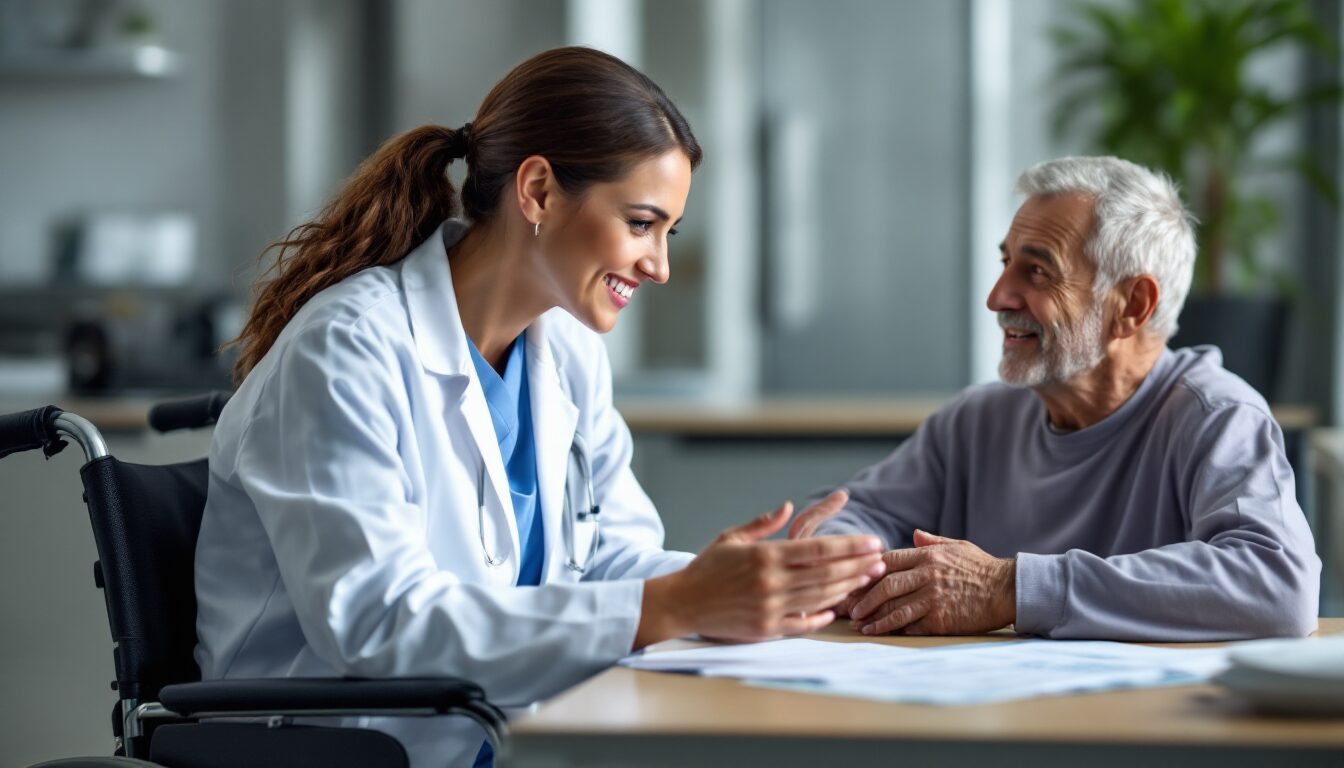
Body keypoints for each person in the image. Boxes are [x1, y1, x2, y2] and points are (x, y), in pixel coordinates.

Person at [194, 47, 885, 768]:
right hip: (334, 752)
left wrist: (758, 584)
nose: (659, 266)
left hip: (503, 739)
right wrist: (677, 603)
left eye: (668, 232)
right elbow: (376, 620)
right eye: (641, 223)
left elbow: (609, 556)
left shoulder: (566, 349)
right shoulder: (346, 349)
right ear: (539, 192)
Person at [791, 156, 1320, 642]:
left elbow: (1278, 585)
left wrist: (1009, 589)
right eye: (1005, 262)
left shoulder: (1217, 417)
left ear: (1132, 305)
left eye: (1038, 271)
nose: (997, 297)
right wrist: (844, 560)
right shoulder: (977, 420)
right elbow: (859, 511)